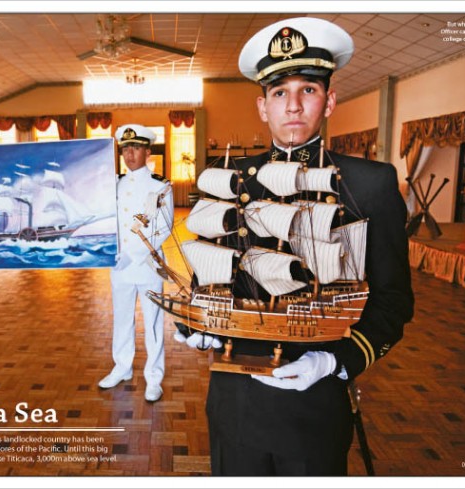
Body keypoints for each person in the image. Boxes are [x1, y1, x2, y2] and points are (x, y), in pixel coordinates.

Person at [178, 18, 414, 475]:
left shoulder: (369, 183)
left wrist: (335, 361)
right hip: (235, 405)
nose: (293, 105)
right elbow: (207, 277)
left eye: (308, 89)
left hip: (315, 406)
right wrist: (198, 322)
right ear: (262, 106)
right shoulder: (235, 180)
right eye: (279, 92)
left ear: (330, 101)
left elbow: (394, 300)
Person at [98, 124, 174, 402]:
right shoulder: (114, 184)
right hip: (118, 265)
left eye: (136, 148)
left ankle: (154, 377)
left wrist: (132, 254)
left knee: (152, 322)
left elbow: (163, 227)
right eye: (125, 149)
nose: (130, 154)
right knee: (121, 319)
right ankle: (122, 367)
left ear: (147, 151)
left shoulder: (160, 185)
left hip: (147, 265)